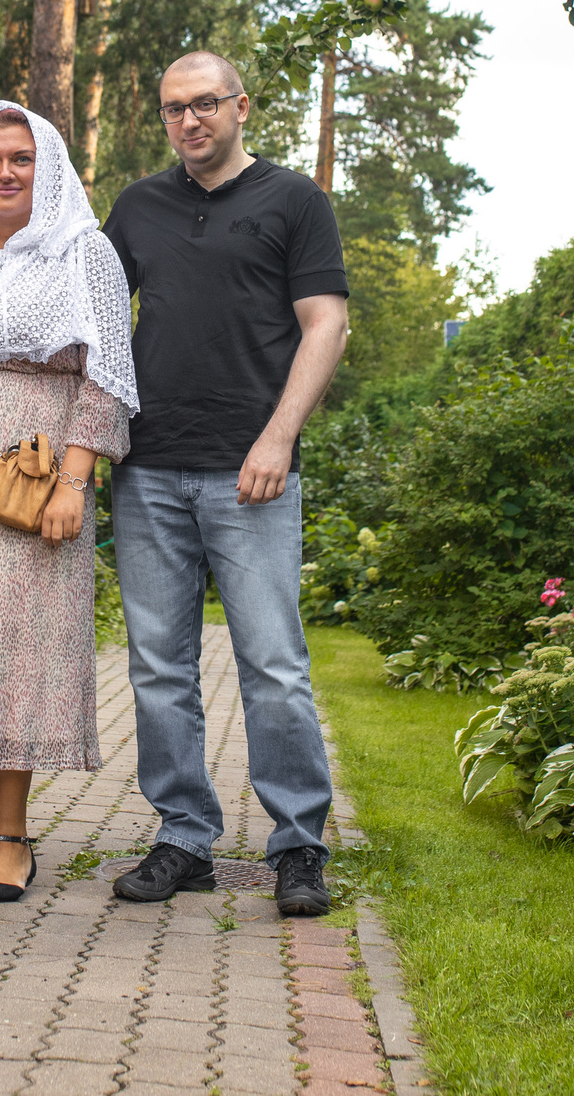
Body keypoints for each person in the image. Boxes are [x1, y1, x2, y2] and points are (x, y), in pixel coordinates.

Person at [101, 51, 350, 917]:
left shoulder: (293, 202)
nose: (189, 121)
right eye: (174, 108)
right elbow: (92, 321)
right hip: (148, 469)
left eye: (205, 103)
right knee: (159, 668)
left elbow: (327, 324)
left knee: (273, 666)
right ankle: (182, 834)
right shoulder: (136, 207)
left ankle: (299, 846)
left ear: (240, 106)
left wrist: (279, 436)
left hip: (253, 472)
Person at [0, 101, 137, 904]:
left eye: (21, 158)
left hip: (35, 463)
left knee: (10, 646)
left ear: (47, 166)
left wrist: (75, 482)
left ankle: (13, 842)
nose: (5, 172)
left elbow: (108, 372)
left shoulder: (86, 253)